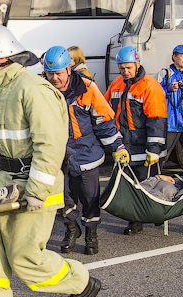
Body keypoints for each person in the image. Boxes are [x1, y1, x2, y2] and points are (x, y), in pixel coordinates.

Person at [0, 24, 101, 297]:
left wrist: (36, 192)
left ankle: (81, 283)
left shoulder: (34, 90)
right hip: (2, 184)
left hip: (34, 187)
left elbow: (49, 146)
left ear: (1, 54)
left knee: (25, 257)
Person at [42, 46, 128, 255]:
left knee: (90, 198)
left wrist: (117, 147)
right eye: (50, 74)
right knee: (61, 199)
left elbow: (103, 119)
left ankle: (91, 234)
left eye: (58, 74)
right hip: (58, 157)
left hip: (86, 153)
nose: (54, 78)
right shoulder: (42, 91)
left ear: (69, 69)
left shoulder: (87, 88)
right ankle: (72, 230)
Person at [105, 46, 168, 236]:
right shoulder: (117, 83)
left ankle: (157, 214)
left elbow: (157, 120)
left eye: (129, 68)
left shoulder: (150, 86)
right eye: (122, 68)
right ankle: (135, 220)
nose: (125, 72)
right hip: (126, 145)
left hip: (145, 146)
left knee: (149, 183)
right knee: (131, 184)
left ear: (138, 64)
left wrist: (154, 149)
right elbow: (107, 110)